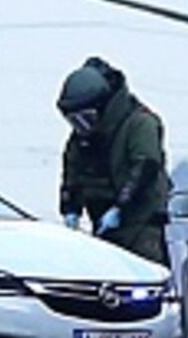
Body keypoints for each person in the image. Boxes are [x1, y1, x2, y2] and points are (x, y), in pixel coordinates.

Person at [57, 57, 171, 265]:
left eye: (86, 117)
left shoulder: (139, 124)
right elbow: (72, 174)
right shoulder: (81, 140)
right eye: (74, 120)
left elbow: (145, 166)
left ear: (103, 107)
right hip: (103, 232)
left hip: (142, 228)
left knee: (143, 281)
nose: (81, 126)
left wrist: (120, 208)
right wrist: (70, 209)